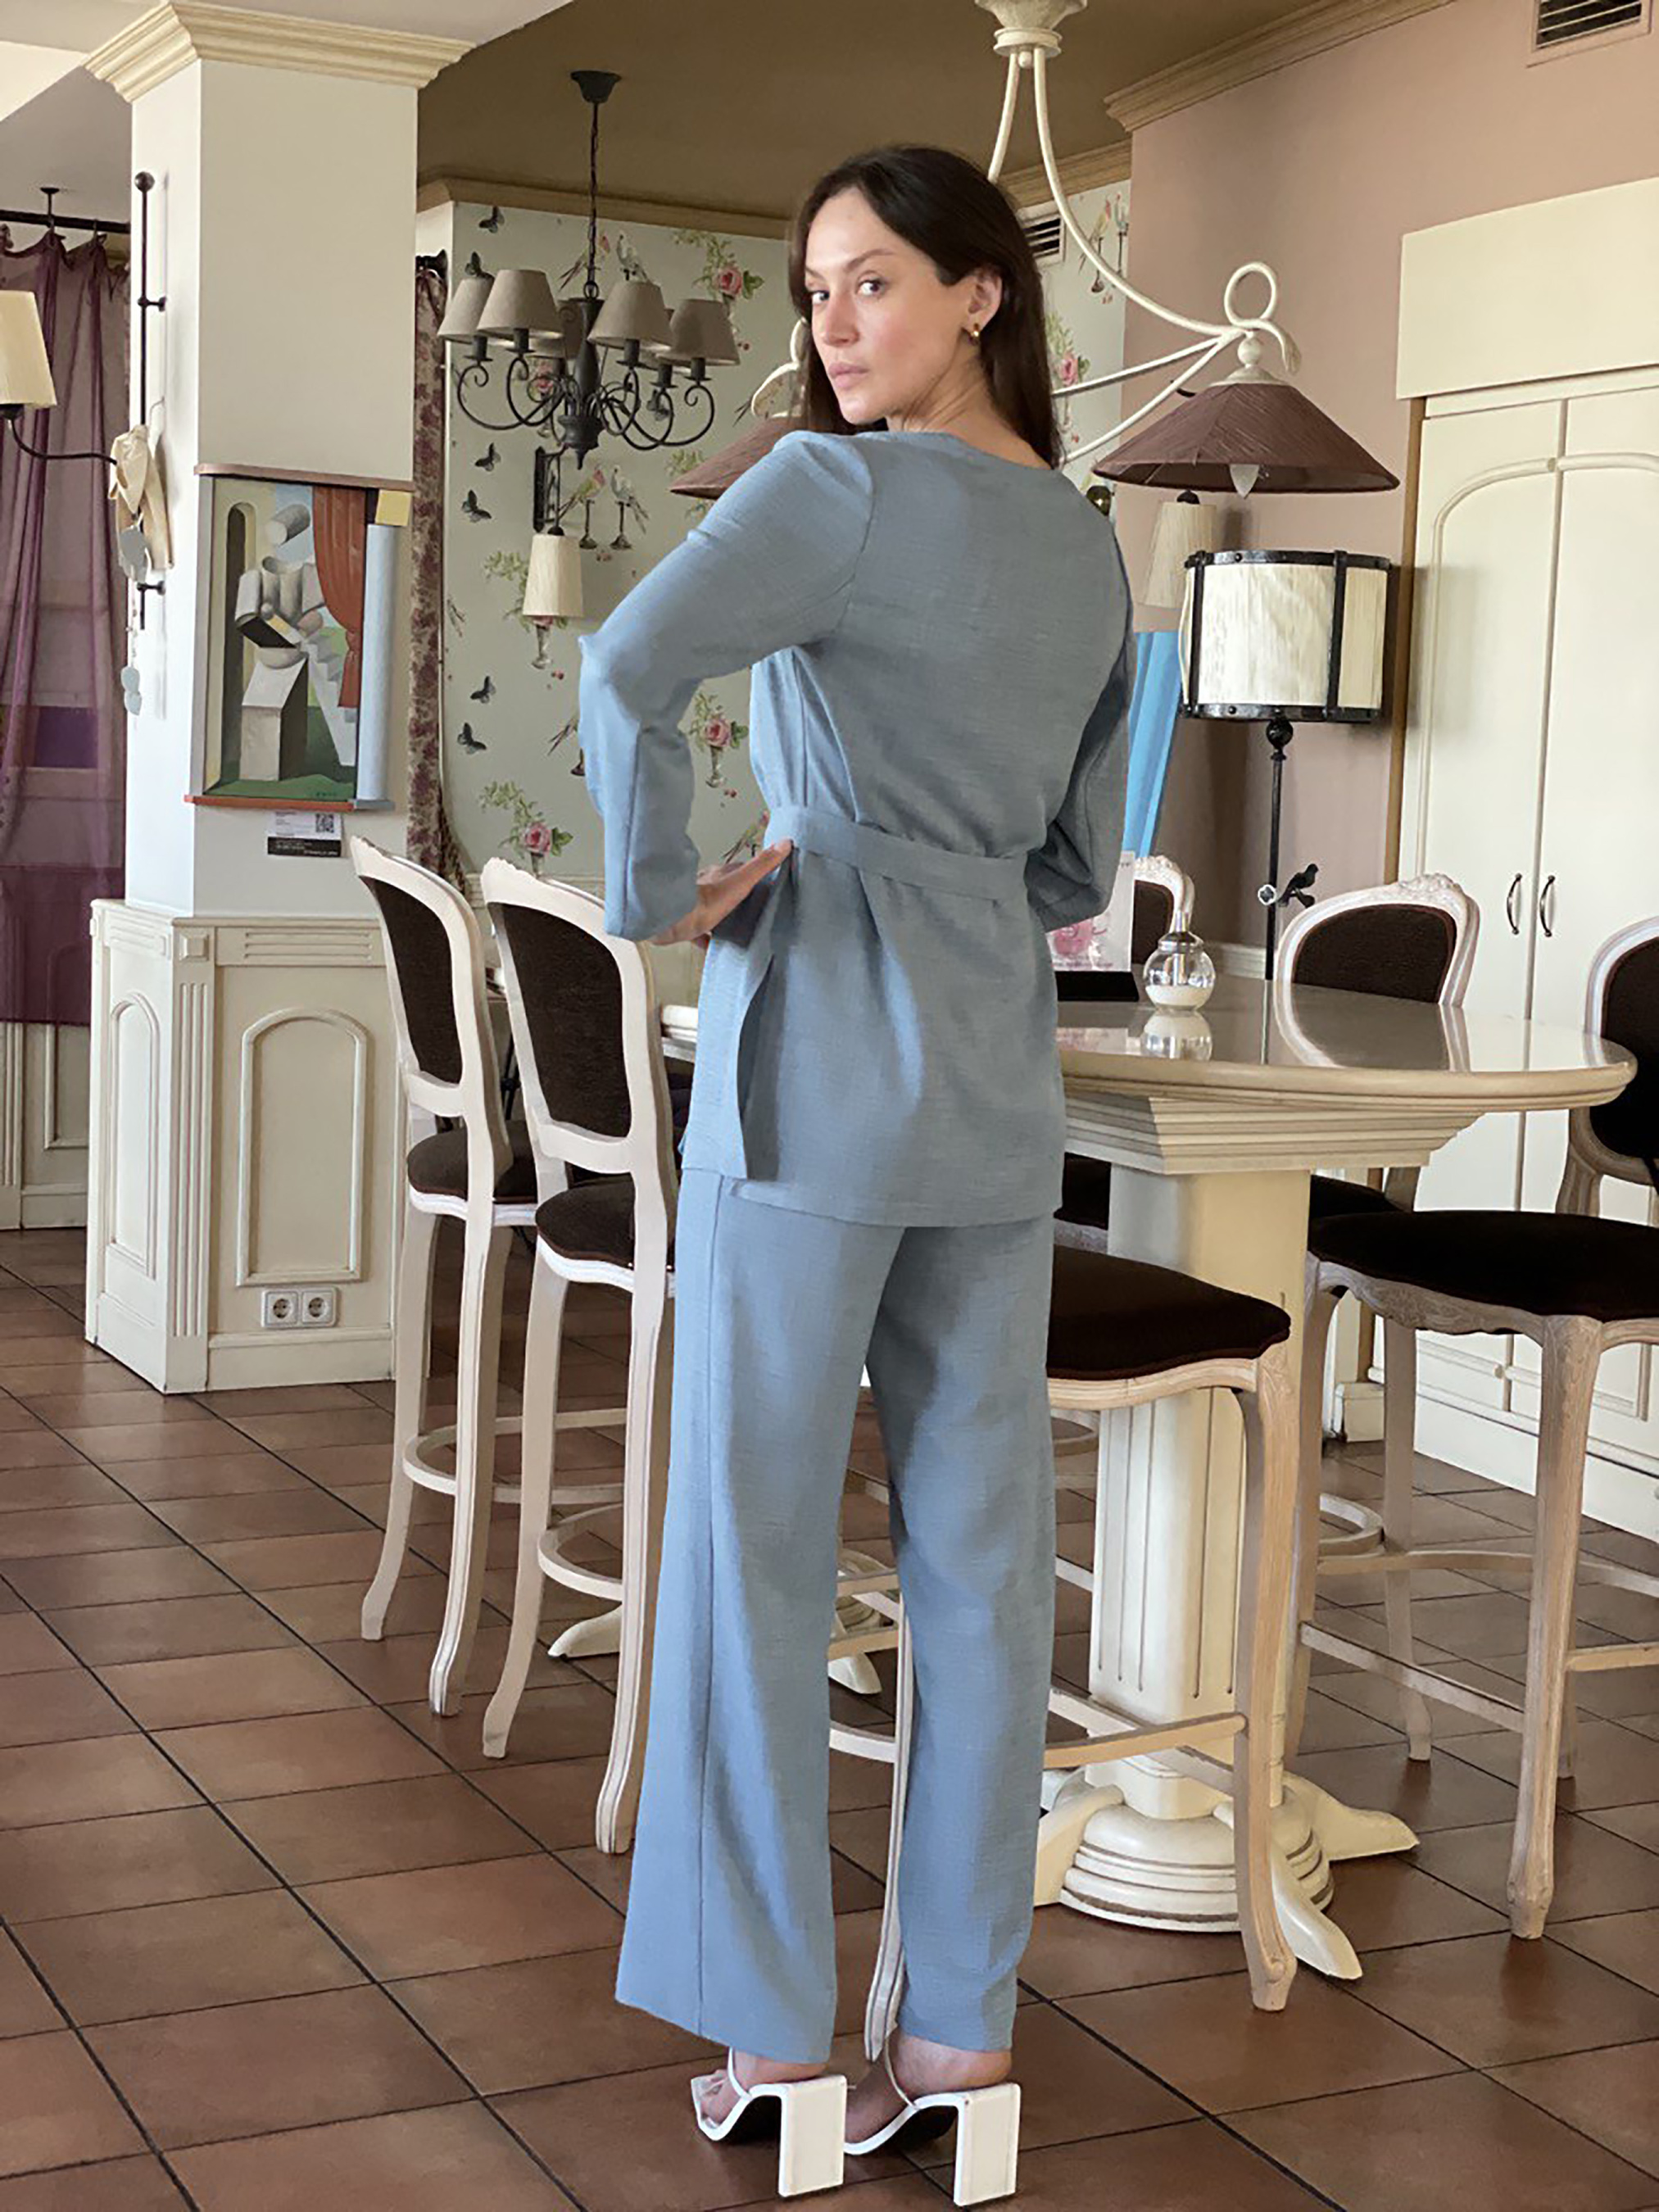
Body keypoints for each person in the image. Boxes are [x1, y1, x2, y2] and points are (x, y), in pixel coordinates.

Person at [578, 143, 1132, 2178]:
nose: (827, 322)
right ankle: (959, 2050)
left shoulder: (830, 491)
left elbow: (627, 665)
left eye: (869, 280)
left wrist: (662, 892)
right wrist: (956, 879)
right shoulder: (1090, 548)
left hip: (814, 1050)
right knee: (982, 1570)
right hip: (989, 1074)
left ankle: (775, 2041)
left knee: (756, 1550)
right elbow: (1076, 866)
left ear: (982, 291)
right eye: (813, 288)